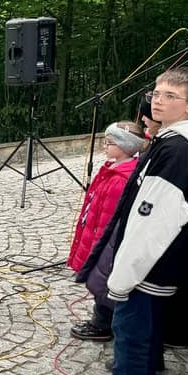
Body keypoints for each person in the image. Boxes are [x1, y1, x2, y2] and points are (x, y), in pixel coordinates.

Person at [80, 67, 188, 375]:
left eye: (171, 96)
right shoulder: (179, 141)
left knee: (132, 326)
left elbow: (154, 218)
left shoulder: (178, 151)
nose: (158, 101)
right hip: (168, 258)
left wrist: (124, 273)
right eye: (157, 93)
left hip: (152, 260)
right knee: (147, 324)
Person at [69, 122, 144, 341]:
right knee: (99, 281)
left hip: (104, 243)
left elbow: (108, 220)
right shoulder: (111, 170)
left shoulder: (120, 179)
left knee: (102, 283)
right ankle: (102, 320)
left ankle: (101, 324)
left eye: (110, 142)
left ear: (126, 146)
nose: (104, 146)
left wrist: (96, 246)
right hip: (95, 236)